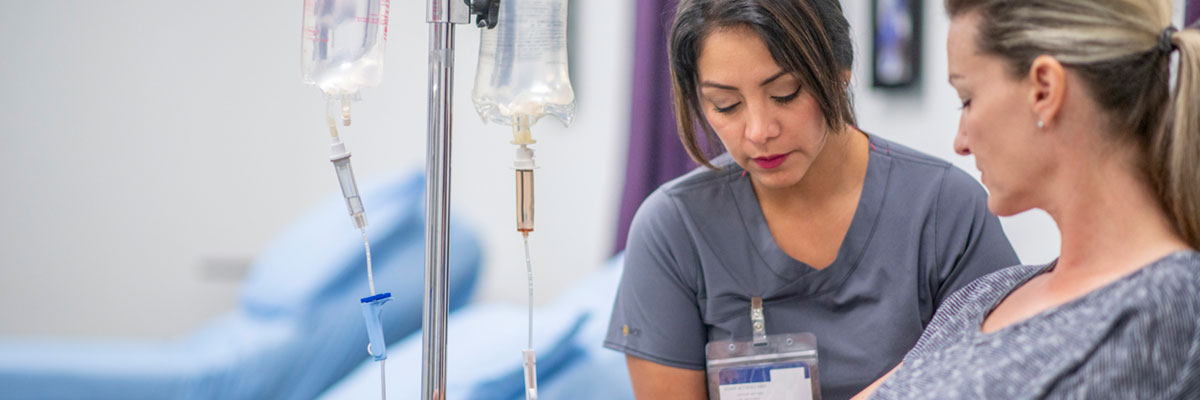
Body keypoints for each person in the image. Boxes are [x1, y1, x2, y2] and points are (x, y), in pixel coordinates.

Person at [603, 0, 1020, 398]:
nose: (759, 131)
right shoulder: (673, 230)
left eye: (785, 93)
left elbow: (1005, 376)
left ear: (839, 69)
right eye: (725, 105)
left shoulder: (944, 209)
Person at [856, 0, 1200, 398]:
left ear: (1045, 90)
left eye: (967, 100)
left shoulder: (1167, 310)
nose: (960, 142)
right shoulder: (985, 295)